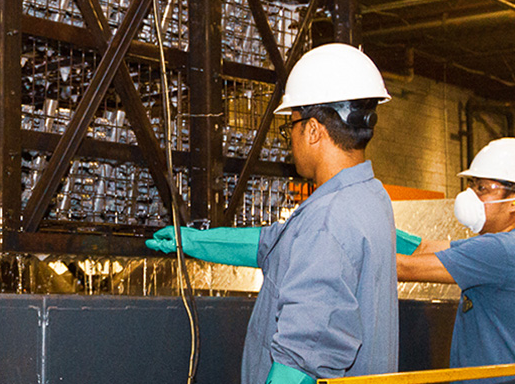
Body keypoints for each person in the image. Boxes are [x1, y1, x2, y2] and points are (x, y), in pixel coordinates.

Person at [147, 43, 399, 383]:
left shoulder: (327, 221)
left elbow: (304, 356)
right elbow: (275, 245)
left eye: (290, 126)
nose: (288, 140)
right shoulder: (370, 197)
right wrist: (191, 240)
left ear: (313, 130)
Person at [397, 137, 515, 384]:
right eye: (472, 185)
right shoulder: (511, 244)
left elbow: (403, 267)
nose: (470, 195)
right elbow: (424, 248)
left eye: (482, 188)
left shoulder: (502, 250)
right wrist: (378, 226)